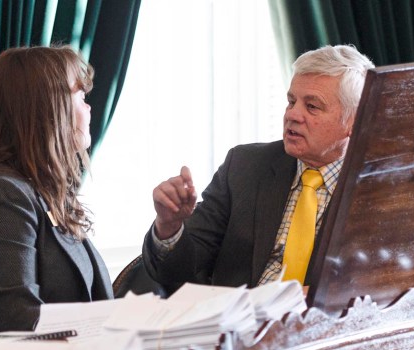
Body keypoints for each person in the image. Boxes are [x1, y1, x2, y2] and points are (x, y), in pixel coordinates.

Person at [141, 44, 375, 295]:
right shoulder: (244, 167)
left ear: (354, 120)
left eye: (312, 106)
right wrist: (169, 225)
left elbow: (385, 283)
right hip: (235, 325)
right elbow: (176, 271)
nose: (292, 115)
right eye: (291, 101)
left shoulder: (380, 187)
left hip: (324, 327)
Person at [0, 46, 112, 340]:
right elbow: (21, 322)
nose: (90, 107)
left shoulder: (42, 193)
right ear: (48, 107)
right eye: (80, 95)